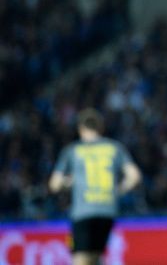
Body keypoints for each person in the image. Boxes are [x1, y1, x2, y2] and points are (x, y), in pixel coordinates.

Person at [49, 108, 142, 265]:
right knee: (96, 257)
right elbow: (134, 176)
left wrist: (68, 183)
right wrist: (118, 190)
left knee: (81, 258)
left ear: (81, 128)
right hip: (107, 210)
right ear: (101, 127)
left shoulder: (73, 150)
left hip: (83, 211)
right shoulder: (114, 147)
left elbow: (54, 184)